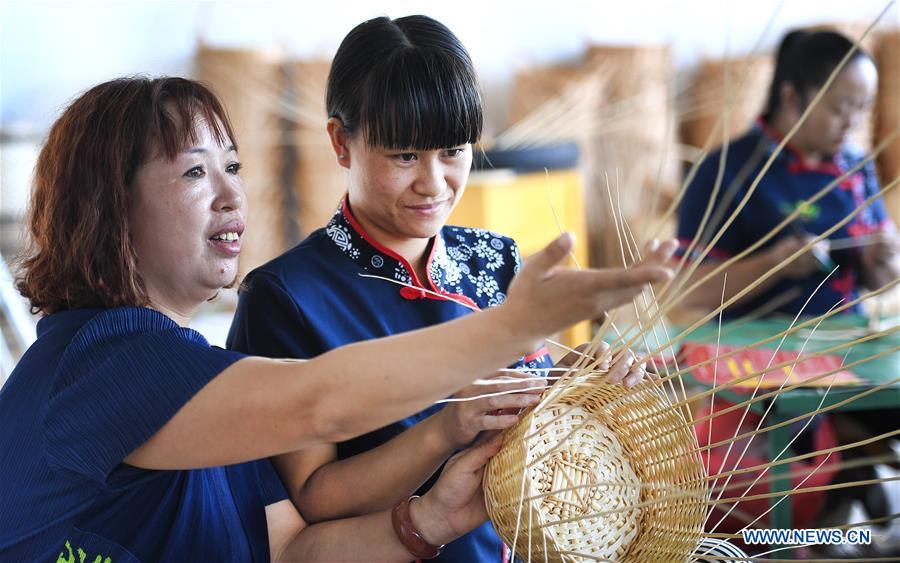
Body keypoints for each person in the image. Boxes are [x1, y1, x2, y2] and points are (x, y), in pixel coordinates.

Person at [0, 76, 674, 562]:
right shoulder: (103, 361)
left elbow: (293, 549)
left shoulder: (199, 373)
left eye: (233, 166)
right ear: (109, 206)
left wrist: (433, 517)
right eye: (195, 174)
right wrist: (508, 330)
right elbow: (321, 404)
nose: (235, 193)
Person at [227, 15, 661, 562]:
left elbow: (530, 418)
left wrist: (582, 386)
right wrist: (446, 428)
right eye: (405, 155)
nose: (434, 184)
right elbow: (310, 500)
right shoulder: (286, 297)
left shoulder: (496, 259)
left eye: (453, 151)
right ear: (341, 142)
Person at [677, 29, 899, 319]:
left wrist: (881, 259)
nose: (853, 124)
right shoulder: (724, 170)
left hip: (844, 341)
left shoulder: (856, 166)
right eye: (840, 110)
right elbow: (688, 291)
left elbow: (884, 282)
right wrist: (775, 264)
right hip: (752, 350)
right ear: (791, 96)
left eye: (862, 109)